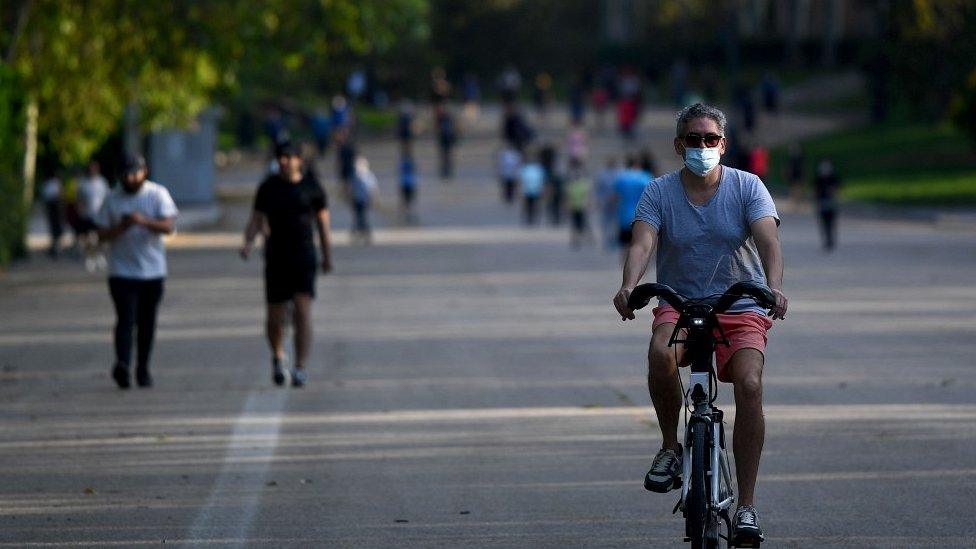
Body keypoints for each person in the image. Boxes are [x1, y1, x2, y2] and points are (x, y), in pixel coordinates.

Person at [611, 103, 786, 546]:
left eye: (711, 139)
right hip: (679, 302)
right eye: (694, 139)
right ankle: (670, 448)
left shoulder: (748, 187)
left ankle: (746, 505)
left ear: (723, 145)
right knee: (658, 354)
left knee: (749, 384)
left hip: (740, 302)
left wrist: (776, 288)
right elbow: (642, 241)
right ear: (678, 146)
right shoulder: (659, 192)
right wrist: (629, 286)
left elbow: (768, 239)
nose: (703, 146)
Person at [241, 143, 333, 388]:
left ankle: (301, 366)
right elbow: (256, 218)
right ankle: (278, 355)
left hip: (303, 257)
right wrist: (248, 243)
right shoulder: (268, 187)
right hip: (276, 258)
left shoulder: (312, 188)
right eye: (280, 157)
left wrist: (327, 254)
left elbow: (323, 223)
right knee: (275, 316)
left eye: (288, 157)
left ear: (299, 160)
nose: (283, 162)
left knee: (303, 311)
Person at [95, 154, 178, 389]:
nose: (131, 179)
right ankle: (122, 364)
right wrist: (121, 227)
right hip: (121, 272)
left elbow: (169, 226)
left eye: (135, 173)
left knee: (146, 322)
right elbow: (101, 234)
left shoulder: (157, 194)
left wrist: (142, 221)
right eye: (126, 175)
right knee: (125, 319)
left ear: (145, 172)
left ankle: (143, 368)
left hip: (153, 272)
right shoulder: (112, 198)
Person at [612, 155, 652, 261]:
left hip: (624, 216)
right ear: (639, 165)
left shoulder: (621, 177)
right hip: (642, 216)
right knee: (640, 243)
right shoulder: (645, 177)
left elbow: (615, 197)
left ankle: (625, 267)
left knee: (625, 244)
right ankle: (639, 268)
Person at [77, 161, 110, 272]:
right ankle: (90, 257)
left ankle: (99, 255)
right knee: (88, 238)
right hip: (88, 215)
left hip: (100, 214)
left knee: (100, 238)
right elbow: (79, 199)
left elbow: (107, 197)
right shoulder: (83, 183)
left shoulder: (102, 182)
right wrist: (80, 211)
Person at [350, 154, 379, 244]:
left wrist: (373, 198)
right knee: (358, 218)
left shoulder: (368, 175)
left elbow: (373, 188)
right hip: (357, 199)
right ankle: (358, 235)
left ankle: (364, 235)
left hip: (364, 200)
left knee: (362, 218)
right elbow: (351, 188)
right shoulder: (355, 175)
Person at [814, 158, 841, 251]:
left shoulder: (833, 178)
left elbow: (837, 188)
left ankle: (831, 240)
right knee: (824, 223)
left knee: (831, 222)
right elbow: (815, 191)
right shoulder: (819, 179)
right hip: (822, 202)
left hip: (831, 202)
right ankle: (826, 240)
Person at [566, 159, 593, 248]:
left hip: (581, 206)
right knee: (576, 224)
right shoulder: (573, 184)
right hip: (576, 206)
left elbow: (587, 196)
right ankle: (576, 239)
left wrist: (589, 205)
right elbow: (569, 196)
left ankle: (582, 239)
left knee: (582, 224)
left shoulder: (582, 184)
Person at [595, 157, 620, 250]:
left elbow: (598, 189)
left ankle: (608, 241)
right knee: (611, 222)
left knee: (608, 222)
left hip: (607, 201)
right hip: (613, 201)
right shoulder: (618, 174)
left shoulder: (602, 174)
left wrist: (599, 200)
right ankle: (609, 241)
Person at [41, 171, 64, 259]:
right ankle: (54, 247)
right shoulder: (55, 184)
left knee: (55, 229)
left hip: (53, 208)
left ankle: (54, 247)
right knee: (56, 229)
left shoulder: (49, 184)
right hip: (54, 209)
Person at [519, 151, 545, 226]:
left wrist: (543, 189)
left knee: (535, 206)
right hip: (527, 191)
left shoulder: (538, 168)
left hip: (536, 190)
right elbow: (521, 180)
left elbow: (542, 180)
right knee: (528, 206)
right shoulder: (525, 169)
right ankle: (529, 219)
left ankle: (535, 219)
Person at [399, 151, 418, 224]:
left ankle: (406, 214)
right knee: (411, 201)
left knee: (405, 201)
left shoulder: (402, 163)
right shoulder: (411, 163)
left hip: (404, 183)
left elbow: (399, 170)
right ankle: (410, 214)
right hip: (411, 183)